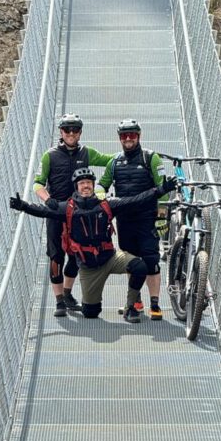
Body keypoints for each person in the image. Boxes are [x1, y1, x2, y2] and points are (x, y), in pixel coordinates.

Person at [10, 168, 177, 322]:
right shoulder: (67, 208)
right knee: (91, 313)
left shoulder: (106, 204)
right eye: (82, 183)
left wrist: (160, 190)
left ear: (93, 185)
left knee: (139, 266)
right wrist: (23, 206)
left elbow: (135, 200)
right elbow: (43, 210)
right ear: (76, 187)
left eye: (89, 183)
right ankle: (87, 303)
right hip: (89, 268)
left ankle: (130, 307)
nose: (86, 186)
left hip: (111, 258)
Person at [33, 114, 114, 317]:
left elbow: (113, 162)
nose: (71, 133)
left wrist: (102, 188)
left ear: (80, 132)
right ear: (60, 132)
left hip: (78, 213)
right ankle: (59, 301)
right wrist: (47, 199)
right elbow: (37, 183)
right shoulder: (49, 155)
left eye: (75, 130)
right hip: (56, 212)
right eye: (67, 130)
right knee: (55, 256)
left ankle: (68, 294)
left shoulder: (87, 153)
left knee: (76, 254)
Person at [97, 119, 168, 320]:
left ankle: (155, 303)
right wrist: (100, 196)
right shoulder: (114, 162)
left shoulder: (151, 159)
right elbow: (102, 184)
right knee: (132, 262)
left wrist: (162, 218)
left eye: (132, 135)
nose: (128, 139)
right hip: (125, 221)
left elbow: (164, 191)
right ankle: (135, 301)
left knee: (152, 261)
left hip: (147, 219)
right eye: (124, 135)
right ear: (119, 138)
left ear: (139, 136)